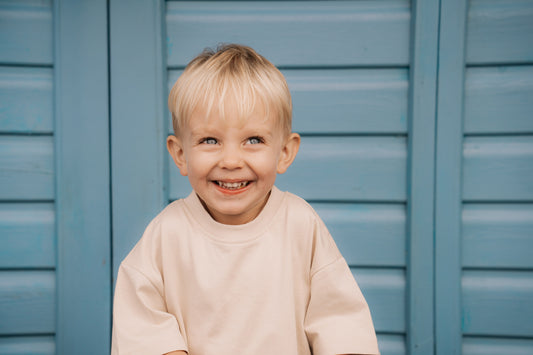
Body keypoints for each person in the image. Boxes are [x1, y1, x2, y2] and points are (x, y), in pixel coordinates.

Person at [111, 44, 380, 355]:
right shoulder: (165, 236)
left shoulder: (301, 226)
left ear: (284, 152)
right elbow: (143, 329)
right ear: (180, 154)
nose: (230, 160)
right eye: (209, 140)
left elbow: (341, 322)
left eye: (253, 140)